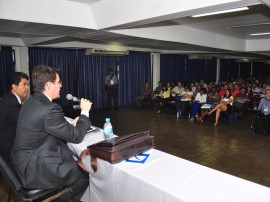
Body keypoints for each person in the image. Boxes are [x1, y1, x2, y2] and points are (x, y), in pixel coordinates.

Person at [11, 65, 92, 202]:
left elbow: (43, 128)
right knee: (85, 174)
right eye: (58, 82)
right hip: (33, 168)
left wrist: (69, 126)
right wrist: (85, 112)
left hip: (21, 161)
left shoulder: (31, 101)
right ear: (48, 85)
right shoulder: (50, 108)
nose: (60, 85)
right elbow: (76, 136)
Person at [0, 72, 29, 159]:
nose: (27, 87)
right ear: (14, 86)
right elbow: (26, 124)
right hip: (9, 149)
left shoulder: (11, 99)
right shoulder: (11, 102)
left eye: (27, 84)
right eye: (24, 84)